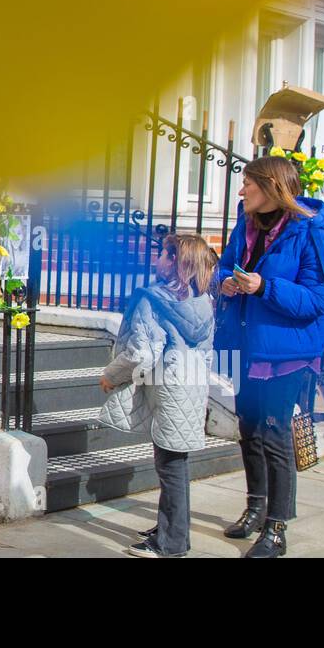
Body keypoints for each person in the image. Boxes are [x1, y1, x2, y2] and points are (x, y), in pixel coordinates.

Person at [215, 154, 324, 559]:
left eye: (248, 183)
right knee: (249, 429)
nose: (241, 190)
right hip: (248, 345)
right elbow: (224, 266)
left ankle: (277, 528)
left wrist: (265, 287)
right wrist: (227, 284)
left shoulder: (309, 231)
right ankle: (255, 508)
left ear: (271, 187)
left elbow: (321, 300)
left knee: (274, 435)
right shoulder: (246, 222)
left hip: (288, 353)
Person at [99, 233, 217, 558]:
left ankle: (171, 543)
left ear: (176, 263)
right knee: (175, 463)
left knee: (170, 467)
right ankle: (171, 529)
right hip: (192, 388)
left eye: (163, 256)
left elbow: (142, 353)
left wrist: (111, 375)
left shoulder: (153, 300)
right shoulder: (203, 302)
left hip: (168, 388)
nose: (157, 261)